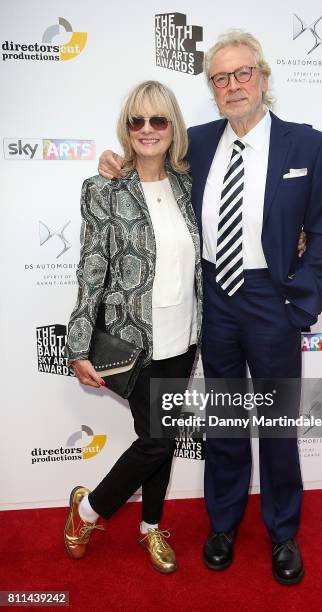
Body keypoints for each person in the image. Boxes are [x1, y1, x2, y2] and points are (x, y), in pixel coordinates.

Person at [99, 30, 322, 585]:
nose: (232, 86)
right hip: (216, 300)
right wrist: (116, 165)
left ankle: (283, 532)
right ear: (212, 88)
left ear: (263, 76)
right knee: (227, 422)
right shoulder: (198, 143)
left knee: (277, 424)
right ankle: (224, 523)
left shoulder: (308, 145)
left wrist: (300, 303)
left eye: (242, 73)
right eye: (220, 78)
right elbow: (148, 158)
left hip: (272, 300)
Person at [63, 80, 203, 574]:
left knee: (156, 437)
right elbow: (91, 269)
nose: (147, 130)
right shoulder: (104, 189)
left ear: (173, 127)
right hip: (133, 339)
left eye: (158, 120)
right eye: (136, 121)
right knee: (160, 439)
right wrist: (77, 345)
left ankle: (150, 527)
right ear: (126, 129)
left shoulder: (190, 185)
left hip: (183, 338)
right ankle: (87, 511)